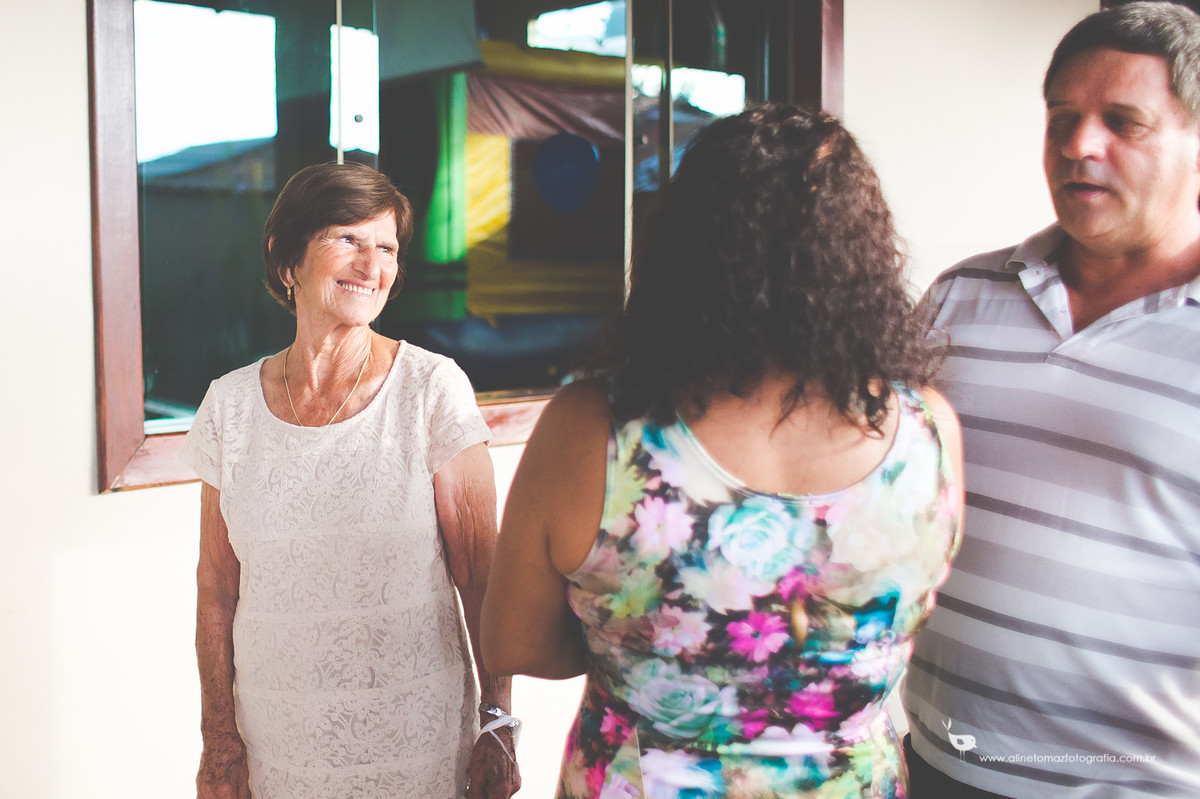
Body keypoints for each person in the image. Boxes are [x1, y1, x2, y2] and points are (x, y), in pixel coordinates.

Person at [480, 104, 964, 798]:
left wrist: (651, 656)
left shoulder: (595, 432)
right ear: (862, 261)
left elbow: (515, 641)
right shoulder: (927, 431)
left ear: (682, 250)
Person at [902, 3, 1200, 797]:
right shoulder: (957, 296)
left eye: (1122, 122)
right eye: (1061, 118)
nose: (1077, 145)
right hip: (932, 763)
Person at [181, 161, 521, 799]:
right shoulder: (228, 408)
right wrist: (219, 737)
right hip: (279, 746)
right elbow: (216, 593)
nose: (373, 265)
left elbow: (482, 577)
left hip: (414, 743)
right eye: (348, 240)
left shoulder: (430, 389)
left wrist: (498, 721)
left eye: (387, 247)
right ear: (289, 263)